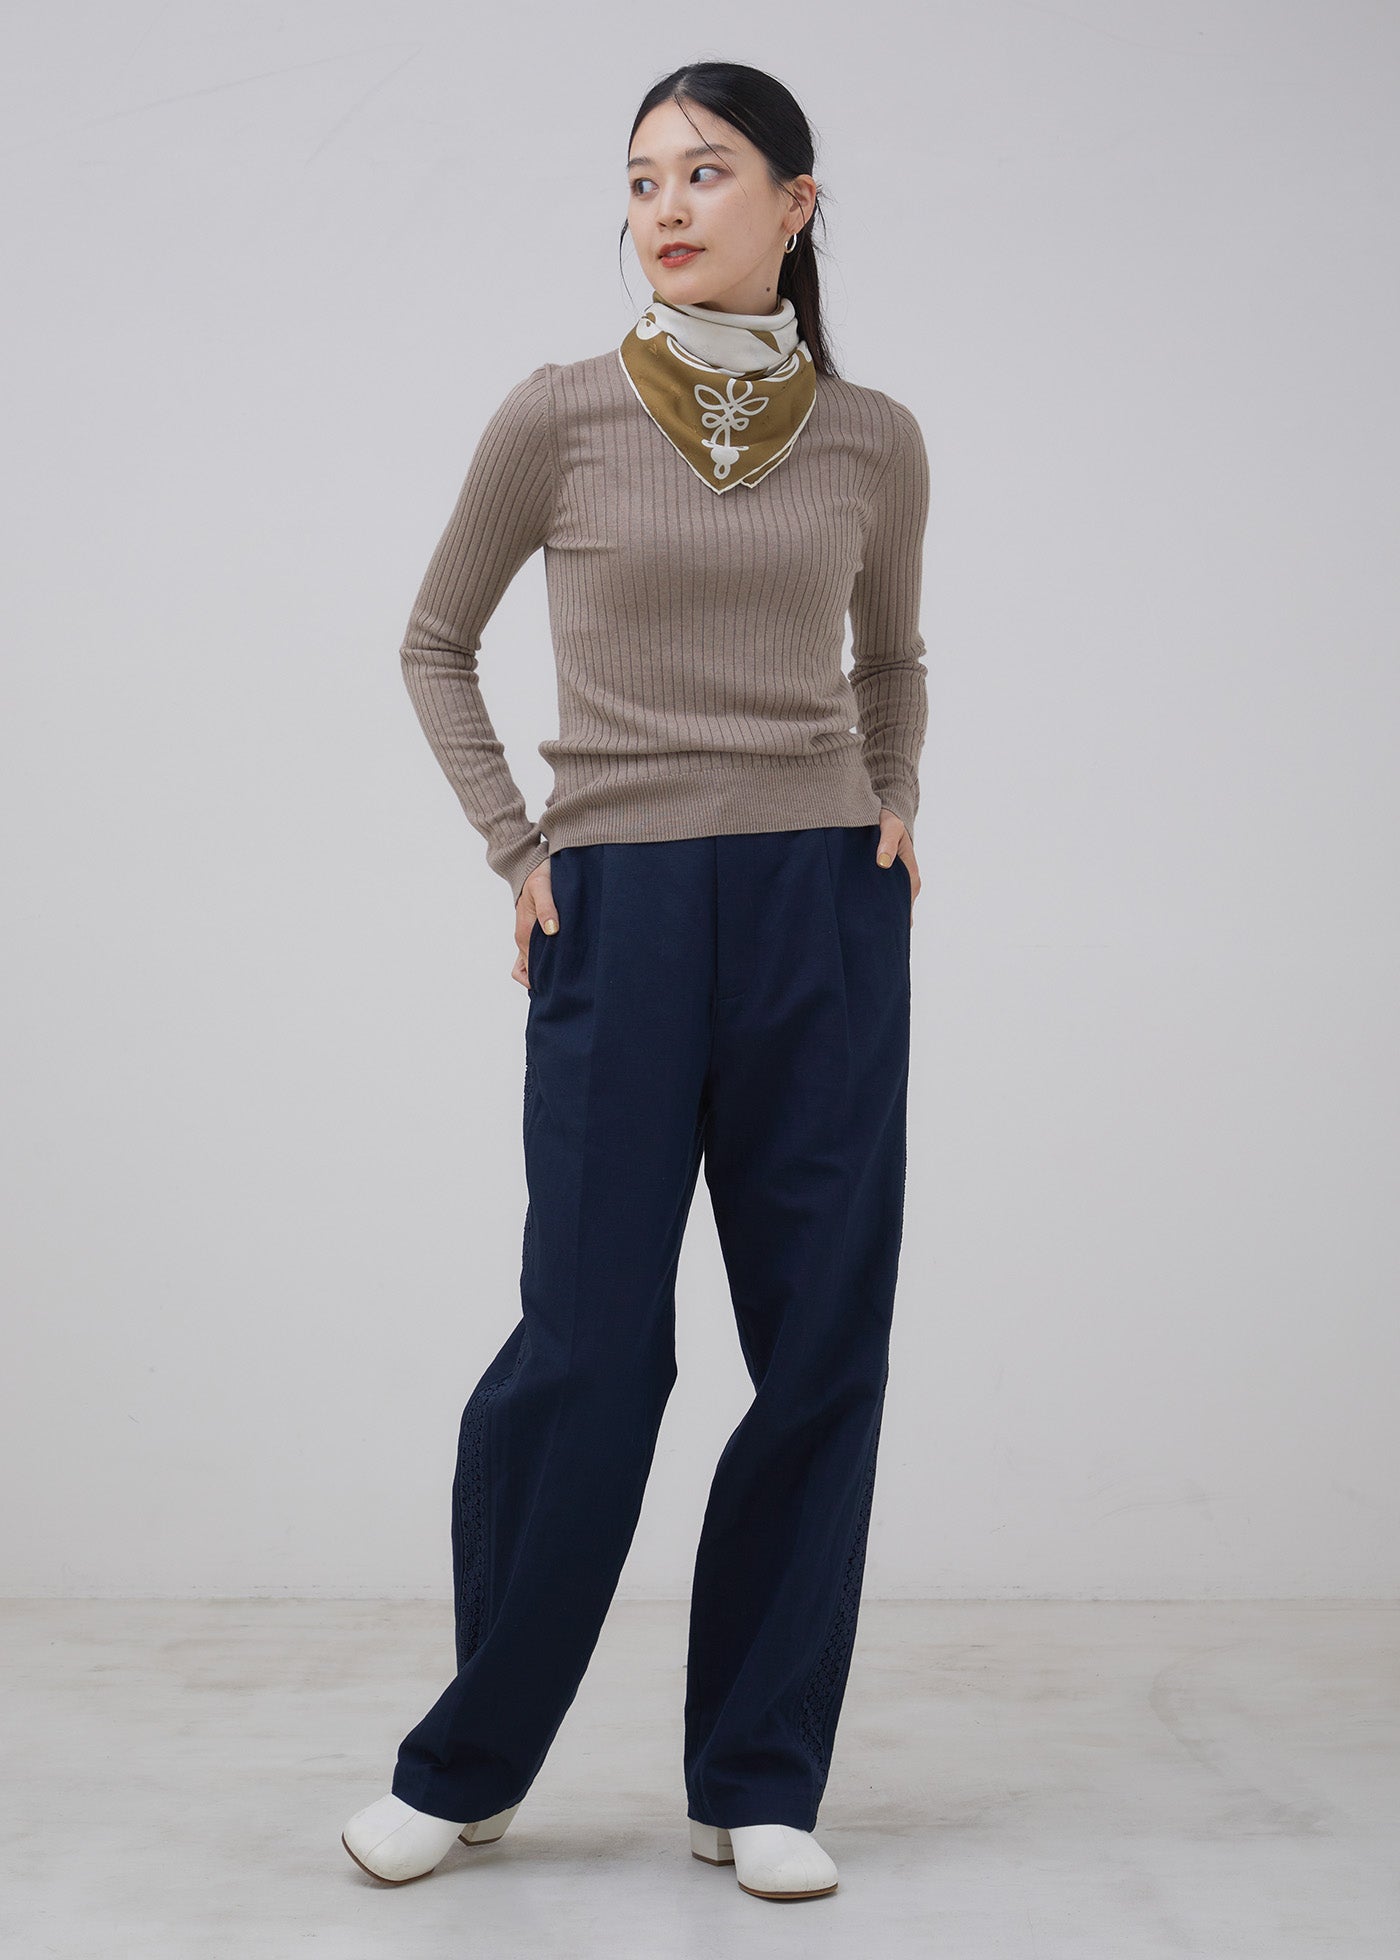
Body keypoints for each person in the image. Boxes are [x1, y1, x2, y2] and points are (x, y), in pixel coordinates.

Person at [341, 59, 929, 1904]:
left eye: (709, 171)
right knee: (591, 1347)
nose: (666, 206)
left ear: (797, 206)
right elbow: (434, 641)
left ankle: (756, 1776)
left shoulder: (875, 439)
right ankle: (471, 1762)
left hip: (823, 911)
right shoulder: (564, 415)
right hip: (620, 907)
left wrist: (895, 798)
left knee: (819, 1346)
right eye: (644, 177)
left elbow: (891, 659)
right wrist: (519, 850)